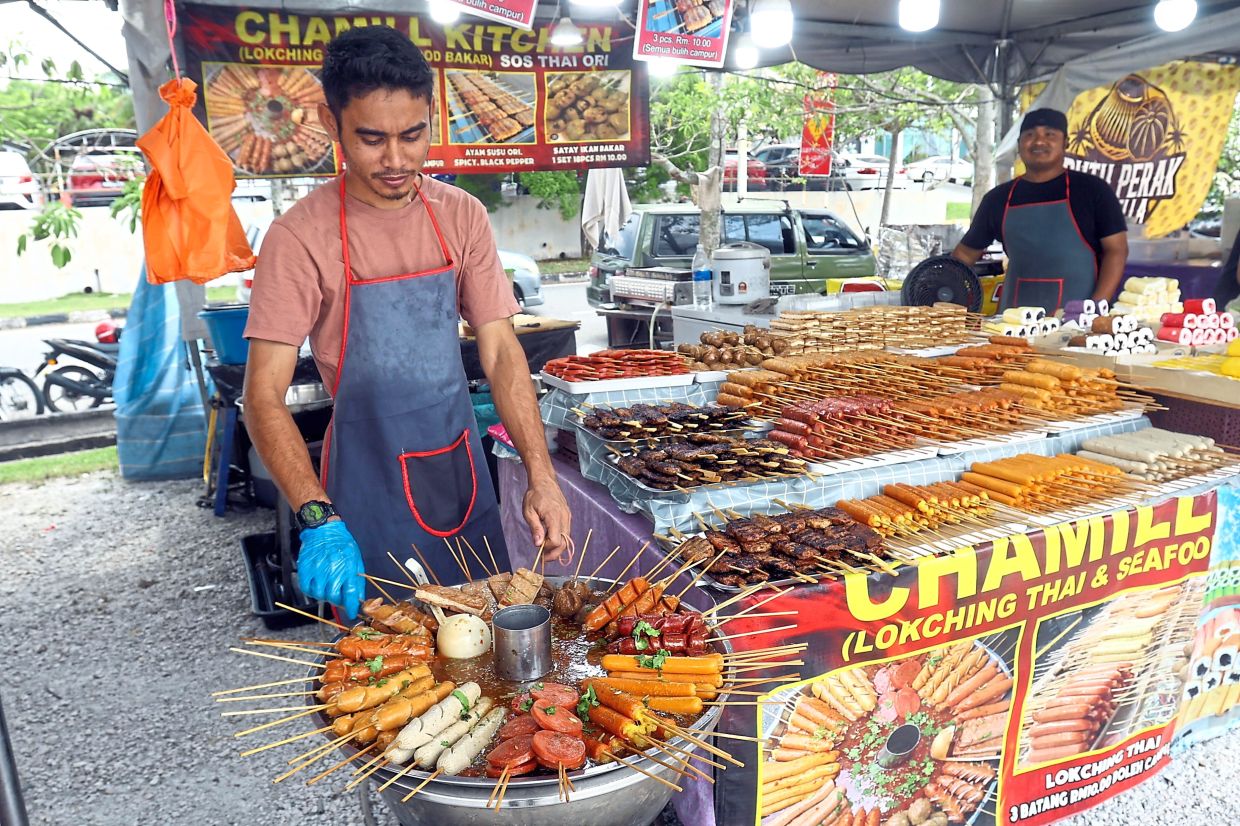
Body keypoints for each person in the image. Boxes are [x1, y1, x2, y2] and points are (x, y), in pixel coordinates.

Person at [242, 26, 572, 618]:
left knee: (486, 646)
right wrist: (316, 516)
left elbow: (499, 352)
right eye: (371, 139)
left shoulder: (462, 215)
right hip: (363, 483)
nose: (396, 160)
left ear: (432, 116)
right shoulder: (299, 237)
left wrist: (541, 476)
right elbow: (261, 396)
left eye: (412, 135)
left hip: (457, 461)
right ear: (329, 121)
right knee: (390, 667)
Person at [952, 108, 1129, 314]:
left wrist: (1096, 308)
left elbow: (1116, 250)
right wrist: (944, 288)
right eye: (1029, 135)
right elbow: (965, 253)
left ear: (1066, 143)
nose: (1038, 141)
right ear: (1019, 145)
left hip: (1075, 321)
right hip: (1012, 321)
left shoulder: (1092, 190)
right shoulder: (998, 198)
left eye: (1050, 134)